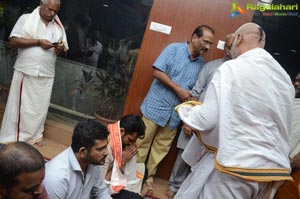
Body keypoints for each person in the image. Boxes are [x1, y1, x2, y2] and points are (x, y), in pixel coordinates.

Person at [174, 22, 295, 199]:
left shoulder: (232, 68)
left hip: (236, 167)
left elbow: (207, 119)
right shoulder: (284, 78)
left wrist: (186, 109)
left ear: (239, 39)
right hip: (269, 171)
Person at [137, 25, 215, 191]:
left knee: (160, 149)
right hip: (155, 107)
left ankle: (148, 178)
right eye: (206, 42)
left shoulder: (201, 64)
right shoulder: (173, 49)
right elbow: (157, 71)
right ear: (194, 37)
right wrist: (177, 88)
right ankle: (135, 177)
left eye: (210, 44)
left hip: (175, 115)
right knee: (141, 144)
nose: (208, 47)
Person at [165, 33, 234, 199]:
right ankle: (174, 186)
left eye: (233, 47)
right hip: (198, 120)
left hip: (218, 128)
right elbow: (195, 92)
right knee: (184, 155)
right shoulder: (211, 66)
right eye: (227, 46)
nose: (229, 51)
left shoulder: (241, 74)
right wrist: (188, 122)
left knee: (205, 162)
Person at [0, 0, 68, 145]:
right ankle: (14, 138)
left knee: (39, 109)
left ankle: (34, 137)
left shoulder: (58, 27)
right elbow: (12, 41)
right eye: (50, 9)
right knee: (20, 107)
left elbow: (63, 51)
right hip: (27, 69)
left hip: (46, 73)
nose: (52, 13)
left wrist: (59, 49)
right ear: (41, 5)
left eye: (55, 11)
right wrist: (38, 42)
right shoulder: (26, 19)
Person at [43, 119, 112, 199]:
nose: (106, 153)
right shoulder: (56, 178)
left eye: (106, 147)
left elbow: (101, 192)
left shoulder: (94, 161)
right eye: (100, 149)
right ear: (82, 151)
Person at [103, 114, 152, 199]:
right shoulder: (105, 148)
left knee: (144, 170)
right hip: (104, 187)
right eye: (130, 140)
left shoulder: (118, 134)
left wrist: (127, 158)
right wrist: (120, 161)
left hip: (115, 175)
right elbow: (101, 184)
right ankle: (141, 194)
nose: (132, 144)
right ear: (122, 131)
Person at [274, 72, 300, 199]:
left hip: (287, 165)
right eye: (295, 80)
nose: (296, 84)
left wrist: (296, 161)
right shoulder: (283, 101)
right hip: (266, 156)